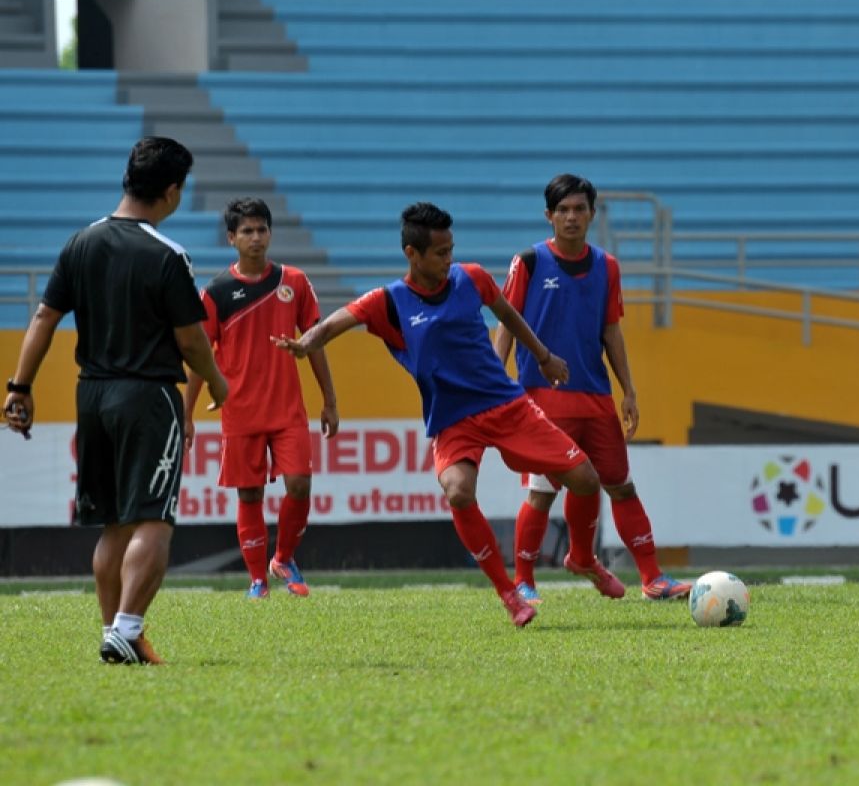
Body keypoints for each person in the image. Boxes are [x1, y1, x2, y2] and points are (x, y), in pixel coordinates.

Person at [272, 202, 614, 627]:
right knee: (458, 492)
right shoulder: (389, 301)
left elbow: (508, 313)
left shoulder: (470, 277)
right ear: (412, 255)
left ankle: (583, 558)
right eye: (440, 253)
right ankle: (509, 595)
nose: (449, 259)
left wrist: (543, 356)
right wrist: (306, 344)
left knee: (586, 479)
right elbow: (339, 320)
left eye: (451, 249)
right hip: (453, 420)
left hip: (504, 405)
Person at [3, 136, 228, 664]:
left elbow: (43, 318)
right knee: (153, 517)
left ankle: (114, 632)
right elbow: (192, 339)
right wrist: (217, 382)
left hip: (93, 396)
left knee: (113, 523)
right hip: (147, 397)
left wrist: (19, 387)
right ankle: (127, 627)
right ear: (171, 192)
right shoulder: (167, 255)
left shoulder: (80, 243)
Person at [493, 173, 690, 603]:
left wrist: (629, 390)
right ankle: (524, 580)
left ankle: (651, 578)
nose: (571, 217)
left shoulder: (608, 267)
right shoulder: (526, 262)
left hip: (596, 397)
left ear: (592, 214)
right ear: (548, 216)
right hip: (541, 396)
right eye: (562, 210)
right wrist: (497, 382)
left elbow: (611, 331)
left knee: (619, 483)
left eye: (579, 209)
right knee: (543, 489)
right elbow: (505, 322)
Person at [183, 198, 339, 599]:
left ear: (271, 233)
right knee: (249, 494)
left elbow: (315, 341)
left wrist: (330, 399)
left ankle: (283, 557)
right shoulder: (216, 292)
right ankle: (257, 580)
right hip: (240, 412)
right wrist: (186, 414)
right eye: (247, 231)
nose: (256, 237)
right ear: (232, 238)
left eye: (262, 229)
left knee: (300, 485)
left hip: (288, 410)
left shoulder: (295, 282)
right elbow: (200, 357)